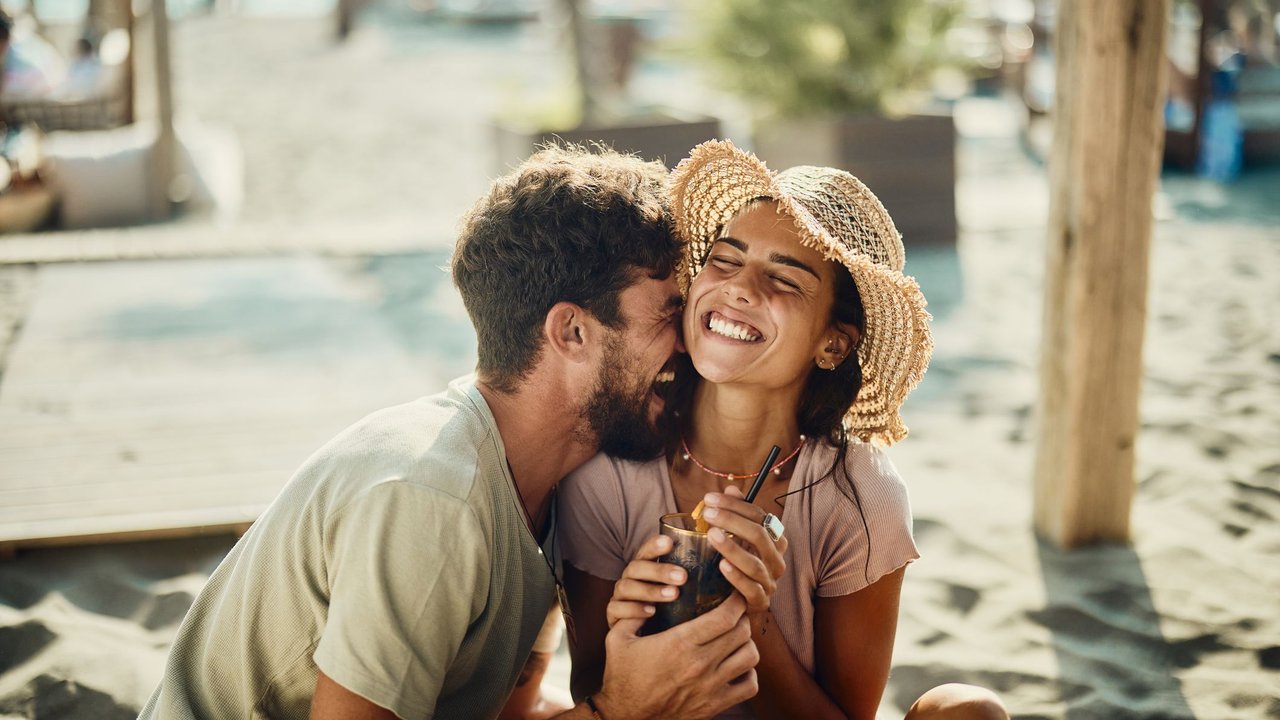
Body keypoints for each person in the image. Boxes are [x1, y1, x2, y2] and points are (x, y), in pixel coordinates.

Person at [139, 145, 763, 720]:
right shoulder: (433, 496)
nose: (689, 341)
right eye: (667, 313)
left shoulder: (543, 486)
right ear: (572, 332)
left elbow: (510, 713)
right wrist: (621, 709)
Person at [559, 140, 1009, 719]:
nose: (742, 288)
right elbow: (591, 694)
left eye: (786, 279)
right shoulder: (609, 470)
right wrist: (631, 624)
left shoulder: (859, 497)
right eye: (725, 259)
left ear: (833, 343)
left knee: (968, 710)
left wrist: (752, 623)